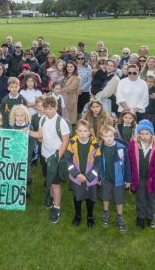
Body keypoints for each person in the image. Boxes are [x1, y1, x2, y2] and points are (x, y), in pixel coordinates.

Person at [29, 96, 71, 224]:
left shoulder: (61, 122)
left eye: (51, 108)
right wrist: (28, 131)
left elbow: (65, 141)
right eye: (46, 108)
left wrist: (57, 156)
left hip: (55, 157)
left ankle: (57, 208)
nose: (48, 111)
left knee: (55, 183)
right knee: (49, 179)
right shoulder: (42, 119)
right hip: (44, 155)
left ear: (56, 108)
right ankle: (52, 200)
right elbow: (40, 135)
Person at [127, 120, 155, 229]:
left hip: (153, 179)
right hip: (139, 178)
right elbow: (129, 163)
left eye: (147, 134)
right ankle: (140, 218)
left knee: (151, 200)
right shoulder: (133, 145)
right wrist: (129, 179)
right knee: (140, 199)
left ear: (152, 134)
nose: (144, 136)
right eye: (141, 133)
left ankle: (150, 218)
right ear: (138, 133)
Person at [64, 119, 102, 228]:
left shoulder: (95, 145)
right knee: (77, 197)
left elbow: (98, 164)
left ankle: (90, 216)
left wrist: (89, 176)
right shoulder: (72, 143)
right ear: (76, 131)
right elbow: (68, 161)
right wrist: (76, 174)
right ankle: (78, 215)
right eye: (80, 131)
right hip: (77, 177)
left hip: (91, 178)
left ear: (90, 131)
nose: (83, 134)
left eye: (85, 131)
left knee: (90, 197)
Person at [98, 125, 130, 232]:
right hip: (106, 178)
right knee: (105, 196)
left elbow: (127, 165)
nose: (109, 138)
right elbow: (98, 164)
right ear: (102, 137)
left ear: (114, 135)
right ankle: (105, 212)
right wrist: (98, 176)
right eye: (106, 136)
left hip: (119, 179)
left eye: (111, 136)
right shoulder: (101, 148)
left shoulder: (121, 148)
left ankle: (119, 216)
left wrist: (128, 179)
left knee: (119, 198)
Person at [62, 61, 80, 126]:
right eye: (68, 67)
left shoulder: (77, 77)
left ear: (74, 68)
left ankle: (71, 132)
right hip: (63, 98)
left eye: (71, 67)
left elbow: (70, 88)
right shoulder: (65, 76)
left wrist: (59, 90)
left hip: (70, 99)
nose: (69, 68)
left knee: (70, 119)